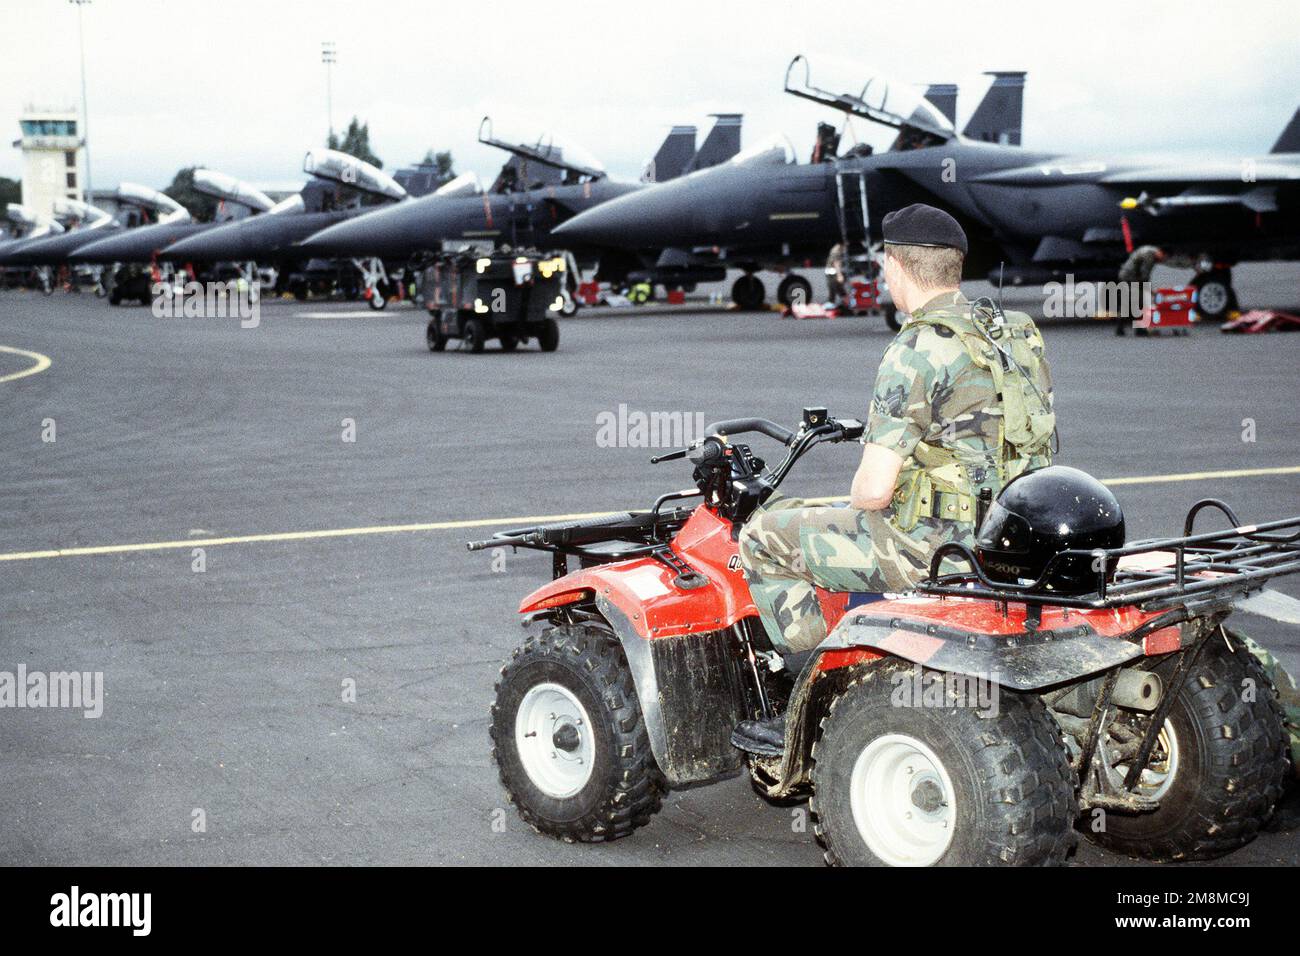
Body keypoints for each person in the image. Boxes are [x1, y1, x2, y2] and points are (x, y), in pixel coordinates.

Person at [733, 203, 1055, 753]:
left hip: (936, 548)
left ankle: (811, 688)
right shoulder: (1013, 332)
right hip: (1016, 532)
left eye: (884, 267)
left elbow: (875, 490)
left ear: (896, 266)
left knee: (764, 534)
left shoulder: (915, 348)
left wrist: (867, 495)